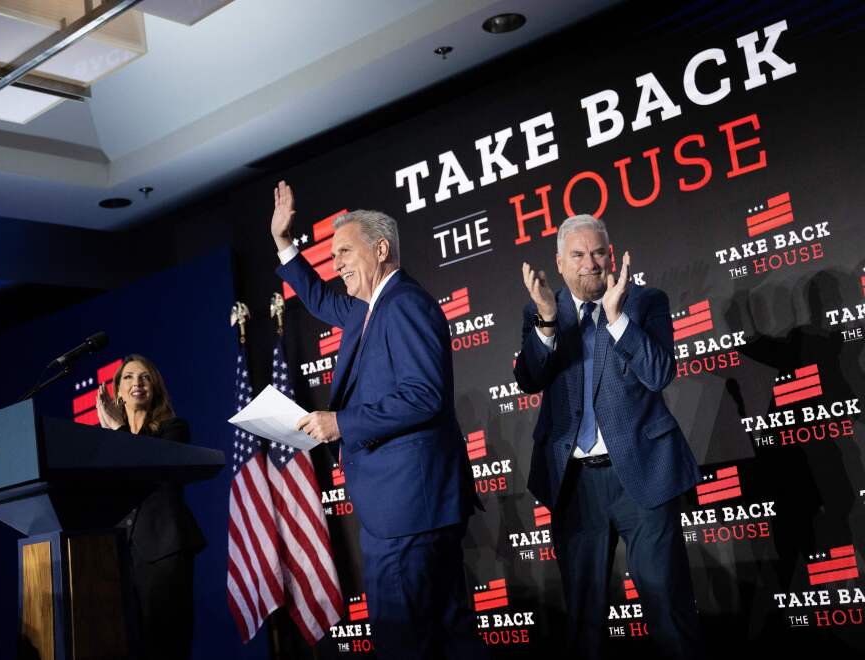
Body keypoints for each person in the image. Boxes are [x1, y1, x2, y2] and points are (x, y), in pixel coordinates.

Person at [269, 181, 487, 659]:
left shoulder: (404, 304)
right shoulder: (368, 308)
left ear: (381, 249)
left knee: (406, 641)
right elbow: (321, 299)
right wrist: (285, 244)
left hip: (409, 510)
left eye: (345, 251)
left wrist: (341, 423)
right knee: (449, 637)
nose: (337, 263)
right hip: (406, 508)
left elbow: (424, 396)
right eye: (333, 255)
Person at [514, 215, 702, 659]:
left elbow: (659, 373)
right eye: (577, 255)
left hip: (643, 475)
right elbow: (529, 379)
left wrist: (617, 320)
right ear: (560, 264)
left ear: (611, 256)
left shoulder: (646, 302)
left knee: (669, 609)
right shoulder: (542, 310)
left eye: (598, 253)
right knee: (583, 622)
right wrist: (544, 322)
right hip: (574, 484)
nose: (590, 264)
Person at [96, 354, 205, 660]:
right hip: (120, 555)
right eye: (128, 377)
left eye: (145, 377)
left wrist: (119, 430)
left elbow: (154, 470)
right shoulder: (106, 443)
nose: (137, 383)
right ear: (117, 390)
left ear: (155, 387)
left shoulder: (173, 428)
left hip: (164, 548)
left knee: (166, 643)